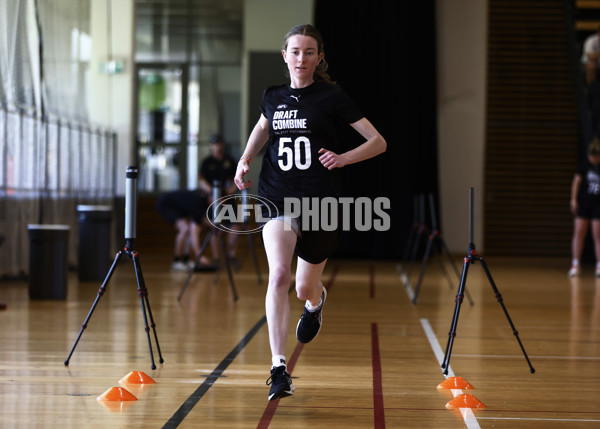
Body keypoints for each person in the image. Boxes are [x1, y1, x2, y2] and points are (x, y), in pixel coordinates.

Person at [234, 24, 386, 401]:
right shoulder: (272, 96)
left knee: (304, 286)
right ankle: (278, 368)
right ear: (285, 56)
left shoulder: (331, 96)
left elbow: (378, 142)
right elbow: (262, 128)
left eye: (309, 52)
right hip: (277, 196)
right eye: (295, 51)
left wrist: (343, 158)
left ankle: (315, 303)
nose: (301, 58)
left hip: (320, 202)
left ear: (319, 58)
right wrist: (245, 159)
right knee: (280, 275)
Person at [198, 134, 240, 266]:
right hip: (213, 200)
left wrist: (229, 193)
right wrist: (212, 193)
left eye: (219, 143)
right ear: (211, 146)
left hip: (228, 199)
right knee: (215, 228)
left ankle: (231, 256)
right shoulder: (206, 162)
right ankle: (217, 258)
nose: (217, 146)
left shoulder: (230, 161)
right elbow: (201, 181)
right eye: (215, 144)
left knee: (235, 226)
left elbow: (237, 180)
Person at [155, 189, 212, 271]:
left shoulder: (203, 203)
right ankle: (176, 261)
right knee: (185, 229)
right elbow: (194, 235)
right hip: (166, 203)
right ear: (211, 198)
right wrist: (200, 257)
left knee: (188, 229)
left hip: (180, 208)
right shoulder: (199, 204)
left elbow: (202, 220)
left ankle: (186, 260)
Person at [569, 138, 600, 277]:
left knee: (597, 235)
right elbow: (576, 182)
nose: (593, 159)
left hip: (598, 205)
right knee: (579, 233)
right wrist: (574, 200)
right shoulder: (584, 164)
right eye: (591, 156)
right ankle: (576, 263)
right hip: (584, 203)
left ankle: (599, 265)